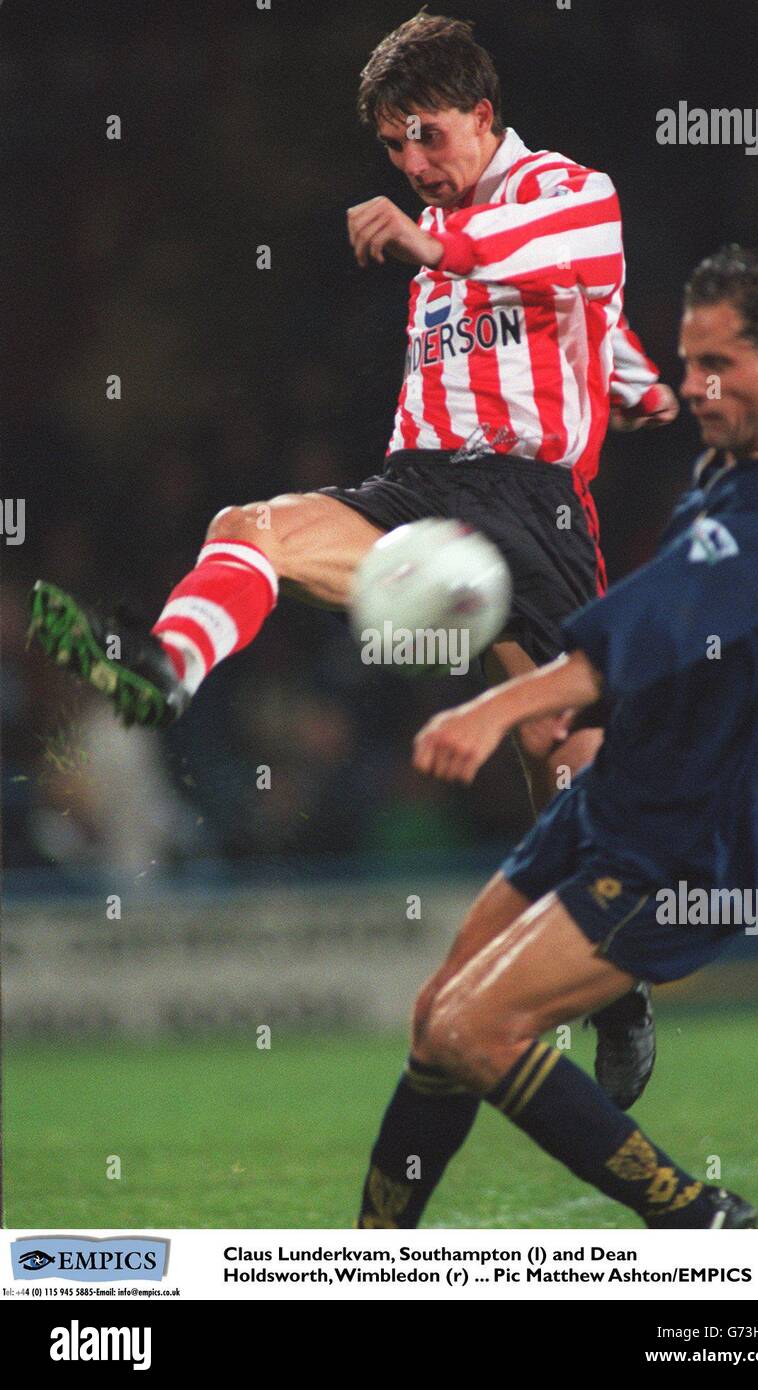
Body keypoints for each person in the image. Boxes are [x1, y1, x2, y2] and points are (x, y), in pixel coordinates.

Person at [28, 11, 675, 1102]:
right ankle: (163, 668)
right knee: (252, 525)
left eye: (425, 137)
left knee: (563, 778)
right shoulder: (449, 239)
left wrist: (635, 381)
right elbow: (573, 309)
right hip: (414, 487)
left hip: (533, 509)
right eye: (390, 148)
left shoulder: (564, 189)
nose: (411, 167)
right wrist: (635, 377)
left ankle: (614, 991)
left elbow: (579, 260)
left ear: (481, 114)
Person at [355, 246, 758, 1229]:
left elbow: (659, 617)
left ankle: (700, 1219)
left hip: (695, 833)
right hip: (626, 789)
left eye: (716, 365)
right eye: (684, 361)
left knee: (476, 1027)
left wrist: (496, 705)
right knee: (436, 1019)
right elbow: (687, 640)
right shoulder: (724, 474)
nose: (689, 386)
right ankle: (371, 1256)